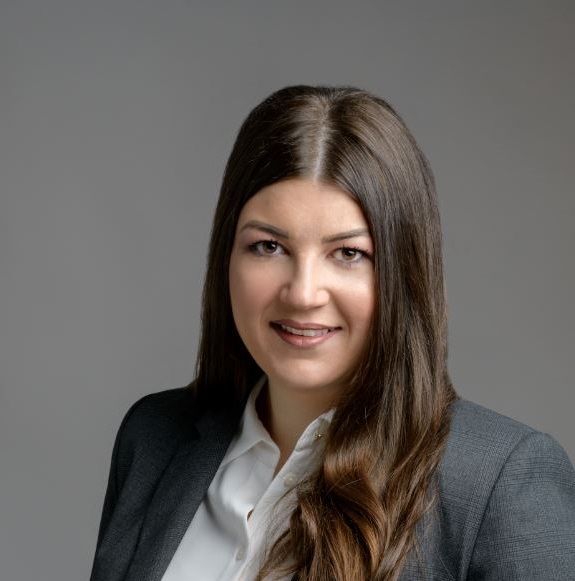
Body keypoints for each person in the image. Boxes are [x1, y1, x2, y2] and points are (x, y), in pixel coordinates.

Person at [90, 86, 575, 581]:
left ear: (404, 273)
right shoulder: (153, 438)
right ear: (226, 258)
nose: (303, 294)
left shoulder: (500, 484)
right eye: (268, 246)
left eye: (348, 254)